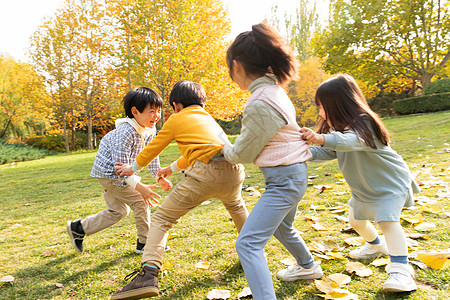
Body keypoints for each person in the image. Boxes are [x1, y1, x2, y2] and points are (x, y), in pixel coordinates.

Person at [110, 80, 249, 300]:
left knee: (162, 218)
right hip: (233, 171)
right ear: (201, 102)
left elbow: (154, 147)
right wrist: (170, 169)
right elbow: (195, 152)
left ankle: (148, 274)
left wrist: (132, 168)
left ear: (176, 105)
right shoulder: (208, 119)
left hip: (205, 175)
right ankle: (251, 255)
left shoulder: (177, 119)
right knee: (236, 205)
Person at [222, 23, 323, 300]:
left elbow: (243, 152)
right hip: (292, 176)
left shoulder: (260, 101)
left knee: (248, 244)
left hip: (284, 181)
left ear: (238, 65)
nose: (231, 75)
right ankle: (308, 266)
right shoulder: (275, 91)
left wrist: (222, 148)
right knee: (281, 226)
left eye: (230, 68)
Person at [300, 74, 419, 293]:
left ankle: (401, 270)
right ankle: (375, 246)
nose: (319, 112)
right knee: (356, 221)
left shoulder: (365, 122)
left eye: (321, 106)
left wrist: (322, 138)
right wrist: (300, 151)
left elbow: (352, 142)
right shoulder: (337, 130)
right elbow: (329, 151)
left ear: (338, 103)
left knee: (388, 223)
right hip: (365, 187)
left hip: (389, 184)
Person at [66, 87, 171, 255]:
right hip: (110, 174)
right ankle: (145, 243)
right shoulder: (126, 133)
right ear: (135, 112)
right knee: (141, 201)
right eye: (152, 111)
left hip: (116, 174)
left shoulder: (149, 130)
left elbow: (150, 156)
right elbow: (119, 169)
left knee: (118, 211)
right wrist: (140, 187)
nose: (157, 116)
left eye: (158, 111)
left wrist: (159, 177)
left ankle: (79, 228)